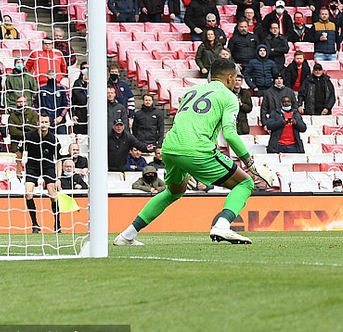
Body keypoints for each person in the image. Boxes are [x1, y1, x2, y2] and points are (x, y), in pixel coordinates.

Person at [114, 59, 274, 244]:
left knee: (173, 192)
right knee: (245, 183)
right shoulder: (229, 97)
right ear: (230, 78)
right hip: (197, 150)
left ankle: (127, 235)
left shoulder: (192, 91)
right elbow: (230, 135)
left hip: (171, 147)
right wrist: (250, 164)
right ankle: (222, 226)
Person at [18, 114, 61, 233]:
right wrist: (18, 169)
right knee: (28, 193)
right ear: (37, 123)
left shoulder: (53, 139)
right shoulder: (28, 136)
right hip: (32, 166)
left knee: (52, 194)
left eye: (46, 122)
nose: (44, 124)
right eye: (42, 122)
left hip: (48, 166)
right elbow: (19, 152)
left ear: (49, 123)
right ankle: (35, 224)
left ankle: (57, 224)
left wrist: (58, 177)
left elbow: (58, 159)